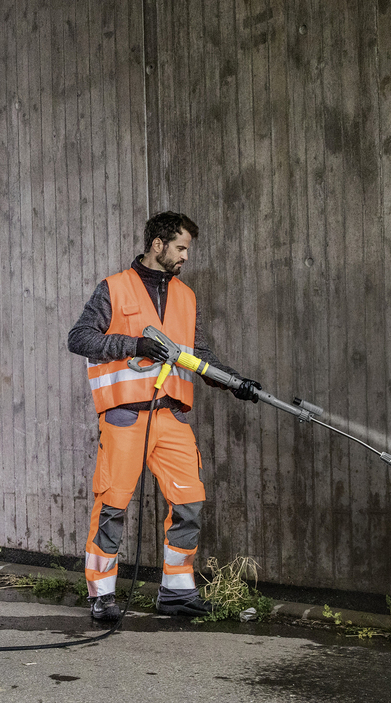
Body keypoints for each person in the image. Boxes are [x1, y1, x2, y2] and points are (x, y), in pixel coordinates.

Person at [67, 211, 259, 623]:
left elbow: (199, 355)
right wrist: (134, 344)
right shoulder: (114, 288)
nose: (186, 256)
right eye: (181, 248)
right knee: (112, 504)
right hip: (124, 417)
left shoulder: (186, 297)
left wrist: (235, 382)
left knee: (189, 501)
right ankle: (102, 594)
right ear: (158, 244)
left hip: (170, 416)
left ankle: (177, 591)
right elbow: (80, 338)